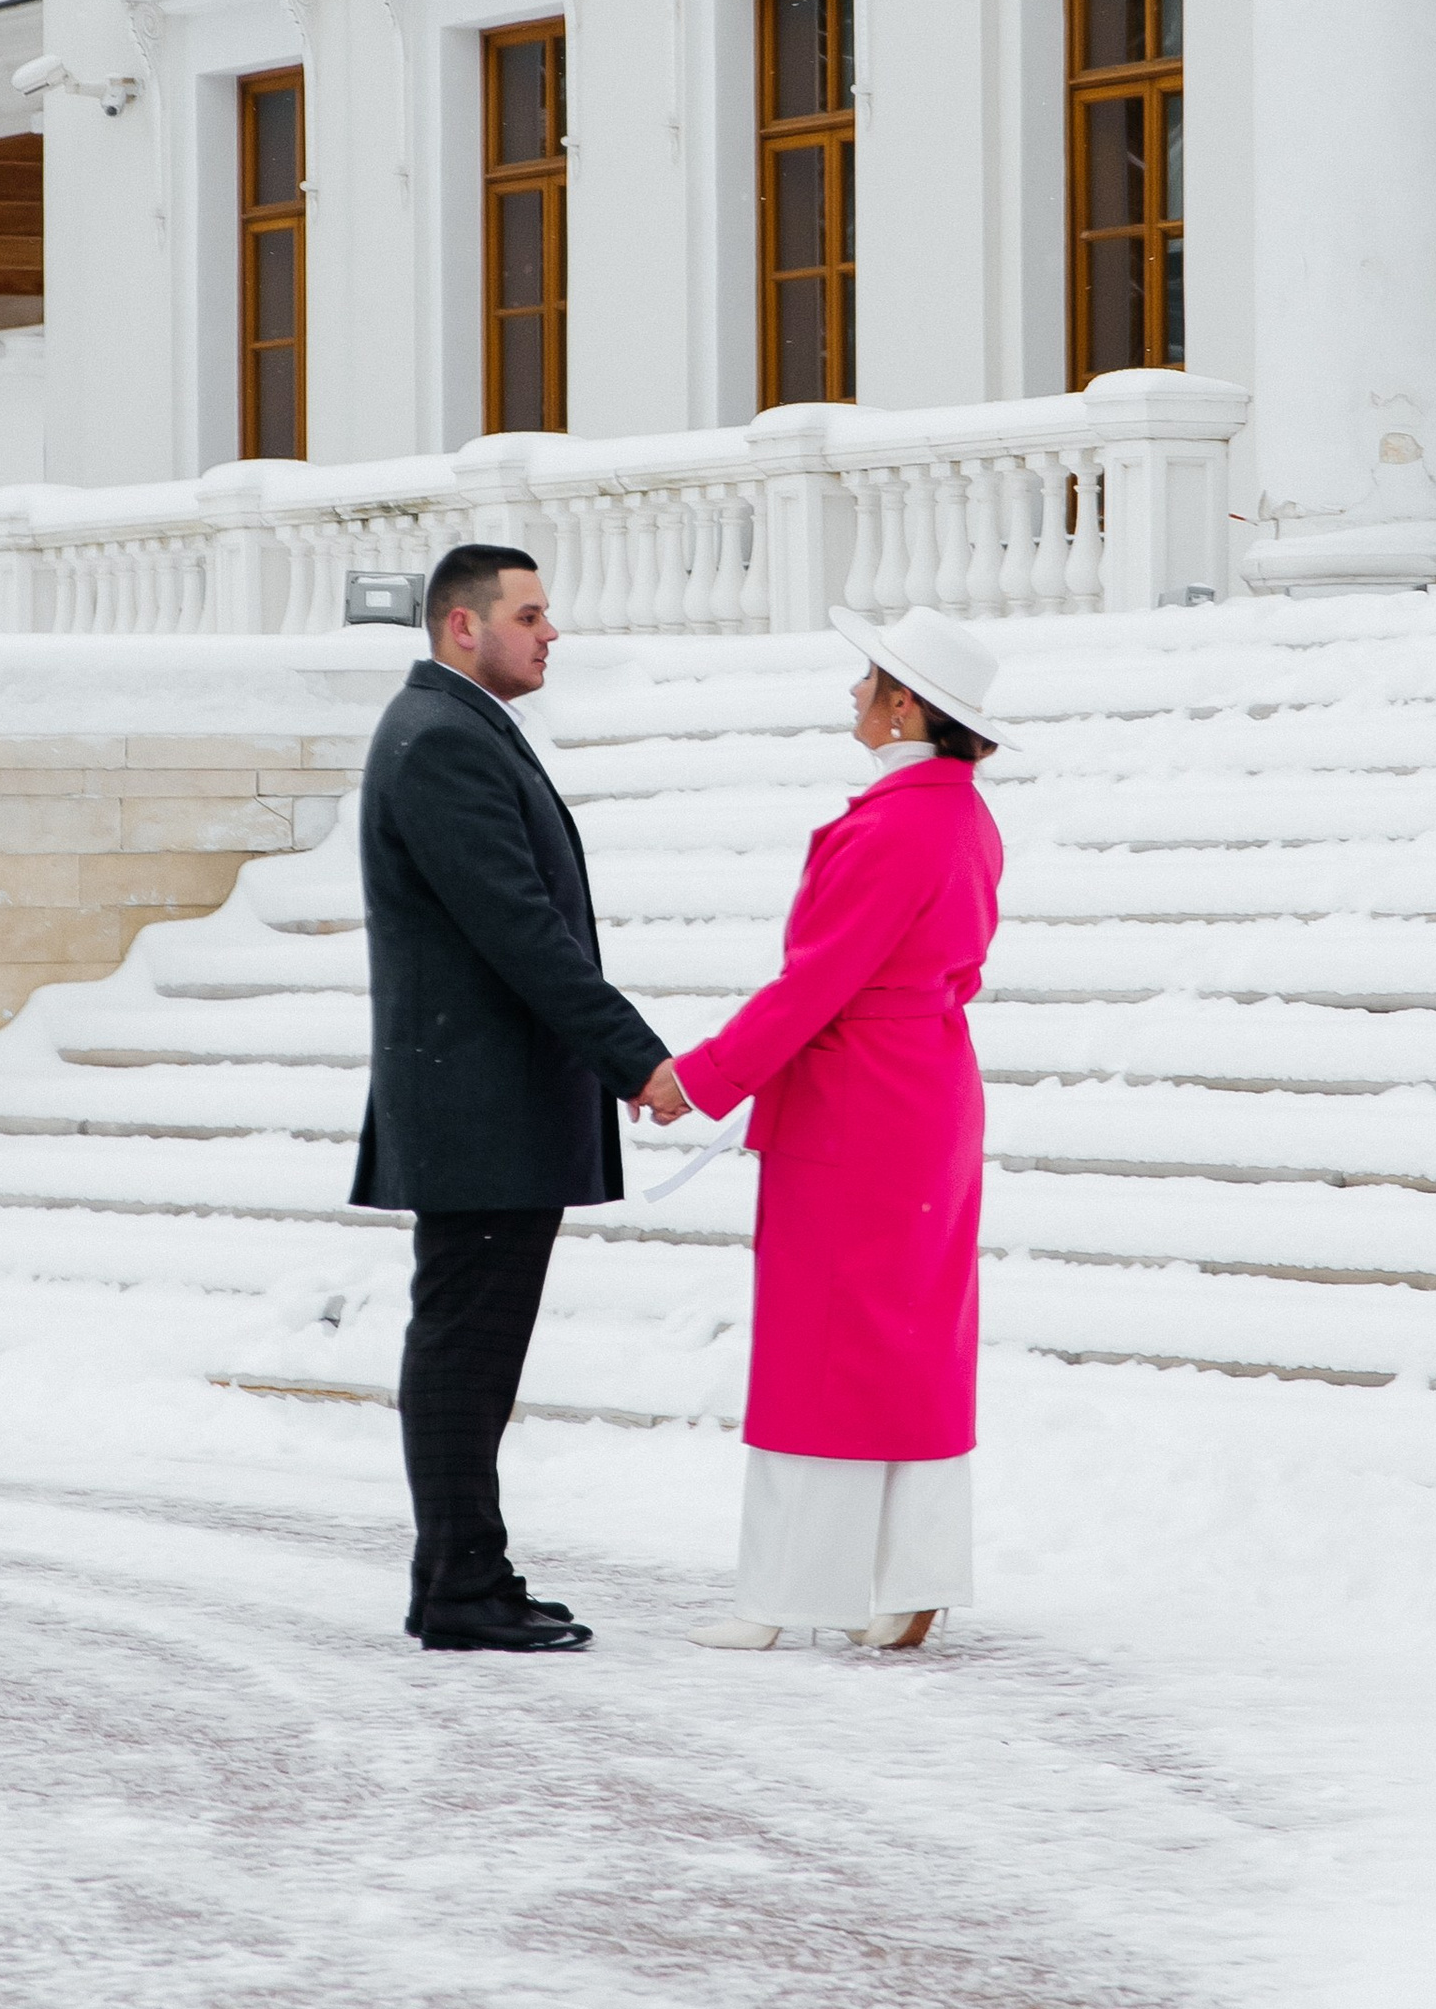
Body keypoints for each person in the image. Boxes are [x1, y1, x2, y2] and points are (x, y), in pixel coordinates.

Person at [646, 601, 1005, 1652]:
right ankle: (909, 1578)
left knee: (821, 1346)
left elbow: (813, 989)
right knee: (912, 1346)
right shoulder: (963, 817)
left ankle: (792, 1594)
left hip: (858, 1103)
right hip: (924, 1092)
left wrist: (694, 1079)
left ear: (904, 706)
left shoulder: (895, 825)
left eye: (868, 680)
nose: (853, 693)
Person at [351, 541, 671, 1652]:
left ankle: (458, 1575)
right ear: (460, 626)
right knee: (464, 1352)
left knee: (470, 1351)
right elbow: (520, 930)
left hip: (481, 1100)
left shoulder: (456, 727)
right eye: (529, 614)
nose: (550, 633)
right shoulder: (441, 739)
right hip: (476, 1106)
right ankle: (461, 1590)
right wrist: (636, 1057)